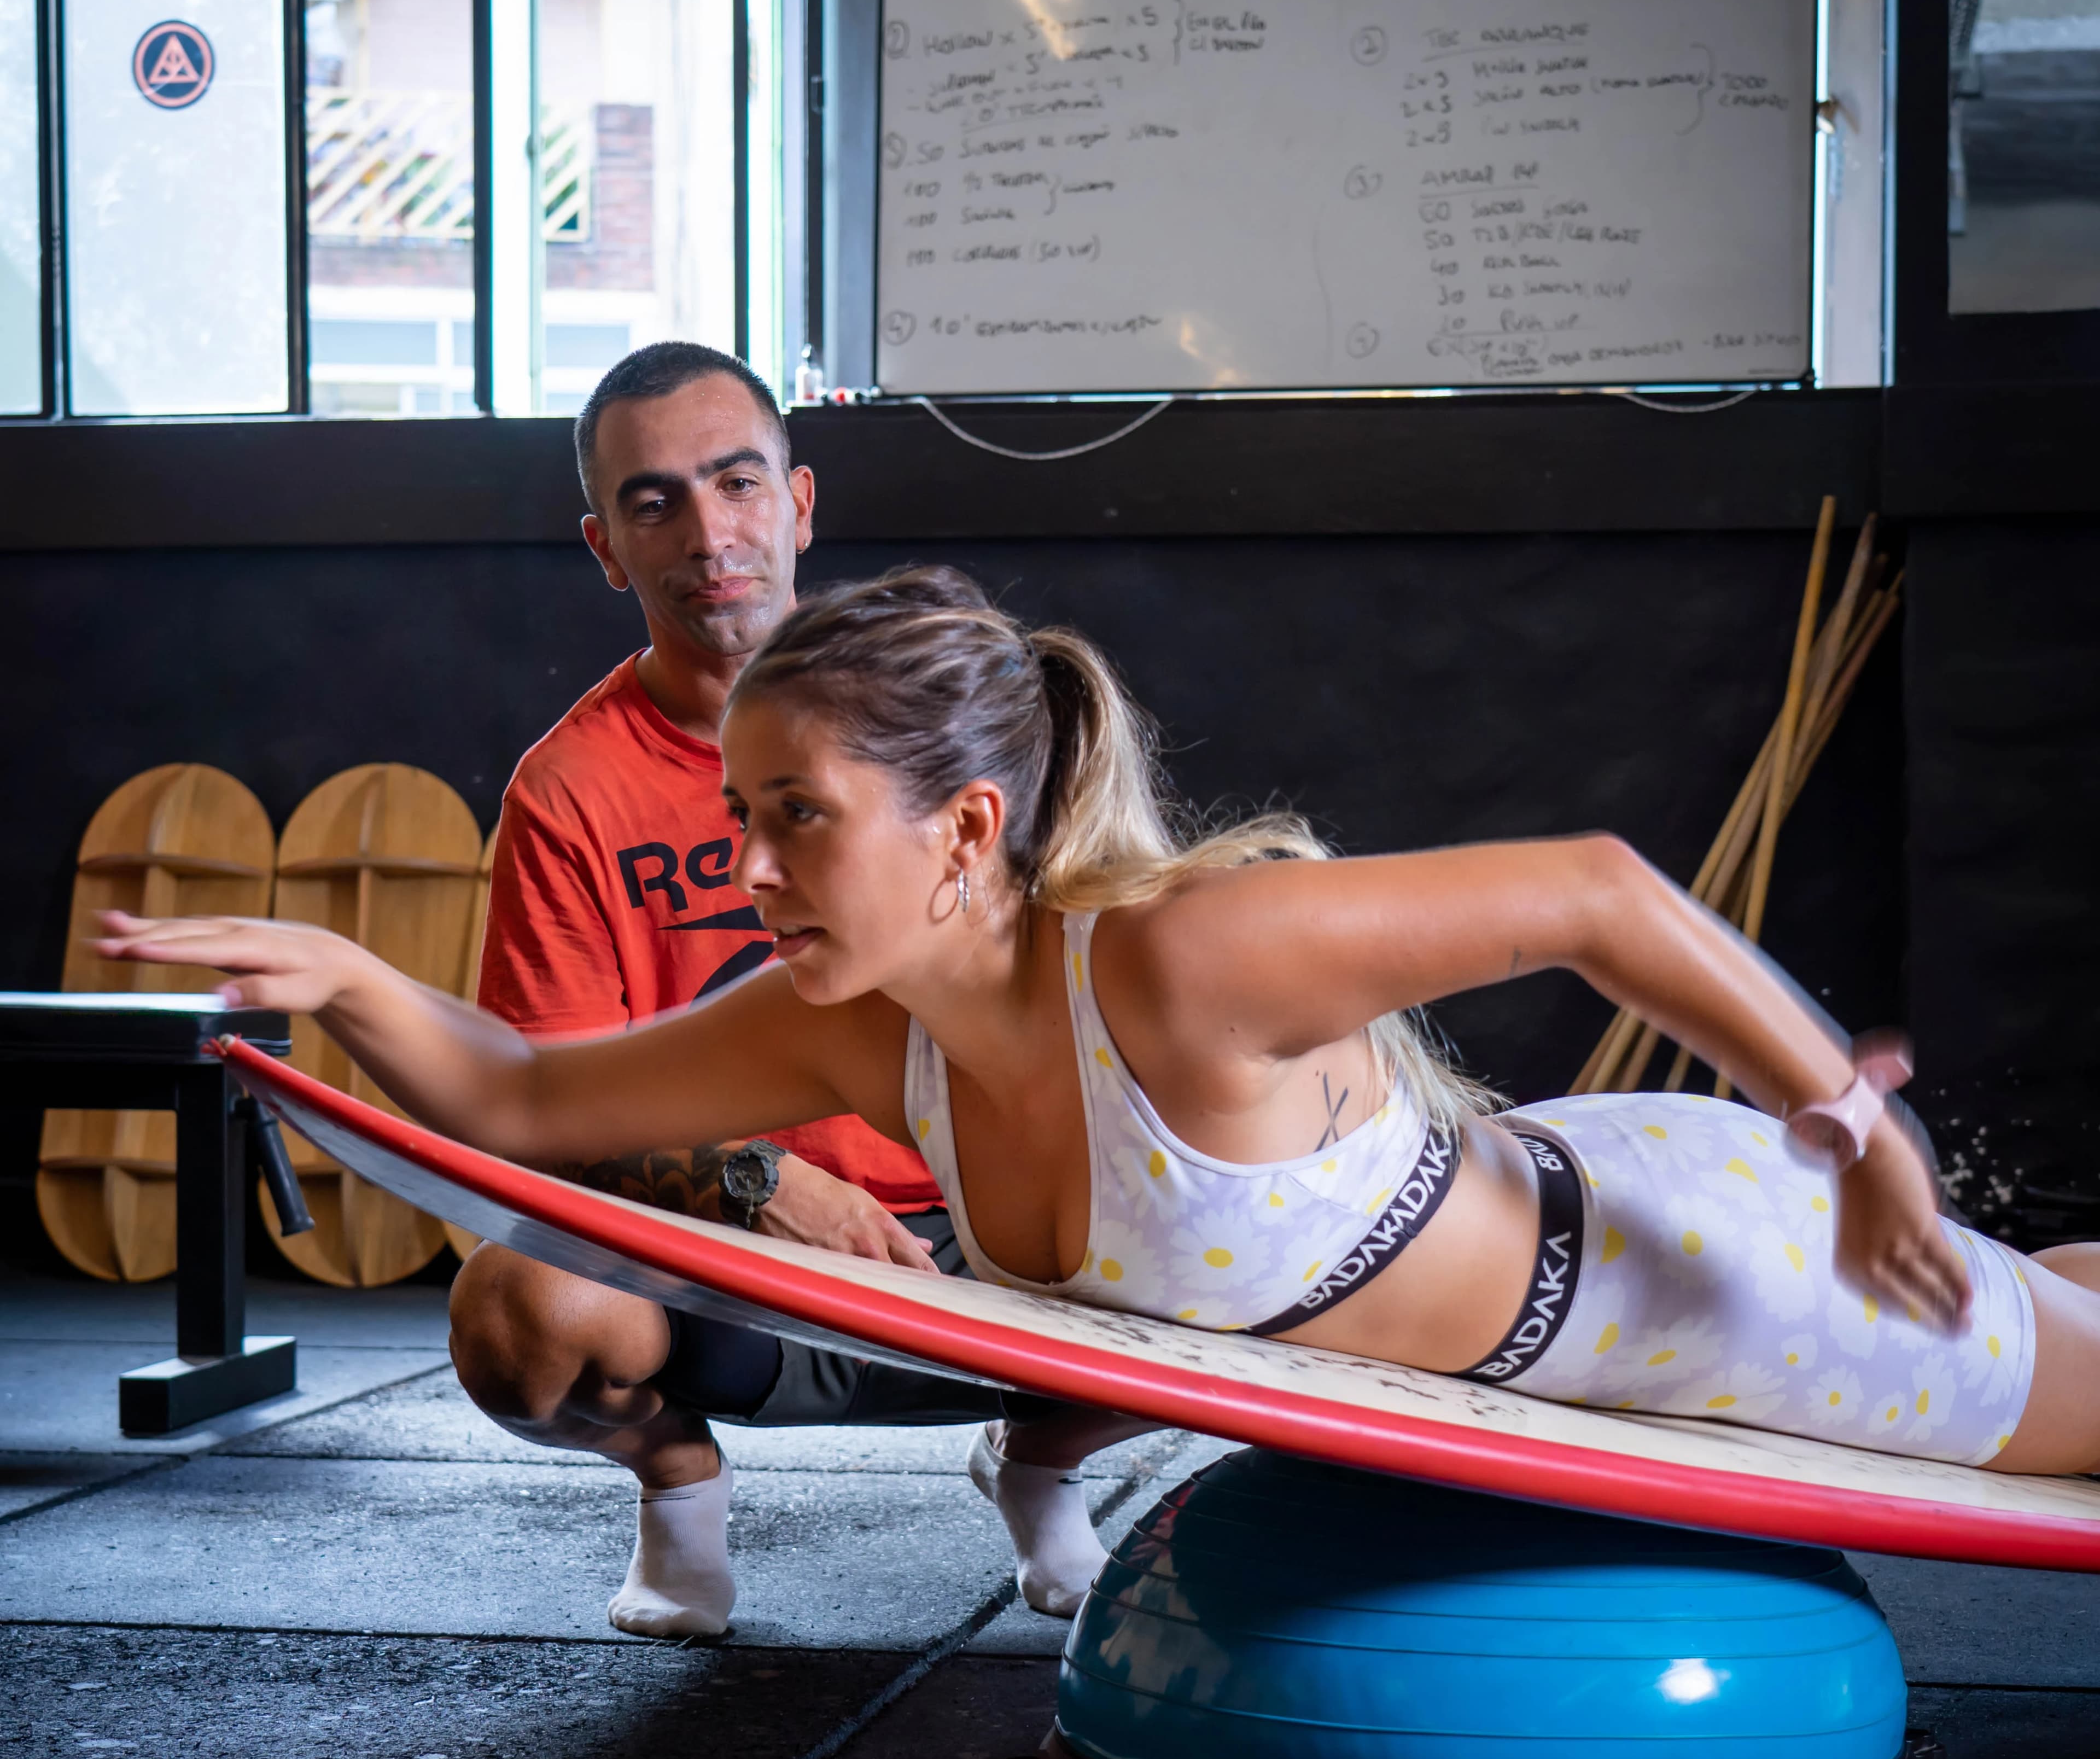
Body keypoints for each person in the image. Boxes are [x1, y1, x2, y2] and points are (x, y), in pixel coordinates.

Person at [96, 569, 2100, 1489]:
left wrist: (1863, 1139)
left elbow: (1597, 889)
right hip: (1569, 1315)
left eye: (799, 819)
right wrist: (347, 978)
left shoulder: (1174, 962)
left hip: (1712, 1286)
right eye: (739, 819)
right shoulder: (848, 1031)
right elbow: (529, 1096)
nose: (754, 870)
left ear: (968, 829)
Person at [449, 352, 1110, 1640]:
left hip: (1000, 1240)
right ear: (605, 546)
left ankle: (1044, 1455)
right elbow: (545, 1108)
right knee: (521, 1314)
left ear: (799, 503)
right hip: (728, 1264)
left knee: (1263, 1238)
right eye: (655, 502)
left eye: (738, 482)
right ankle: (678, 1484)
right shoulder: (571, 789)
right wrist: (761, 1181)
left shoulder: (952, 720)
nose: (709, 535)